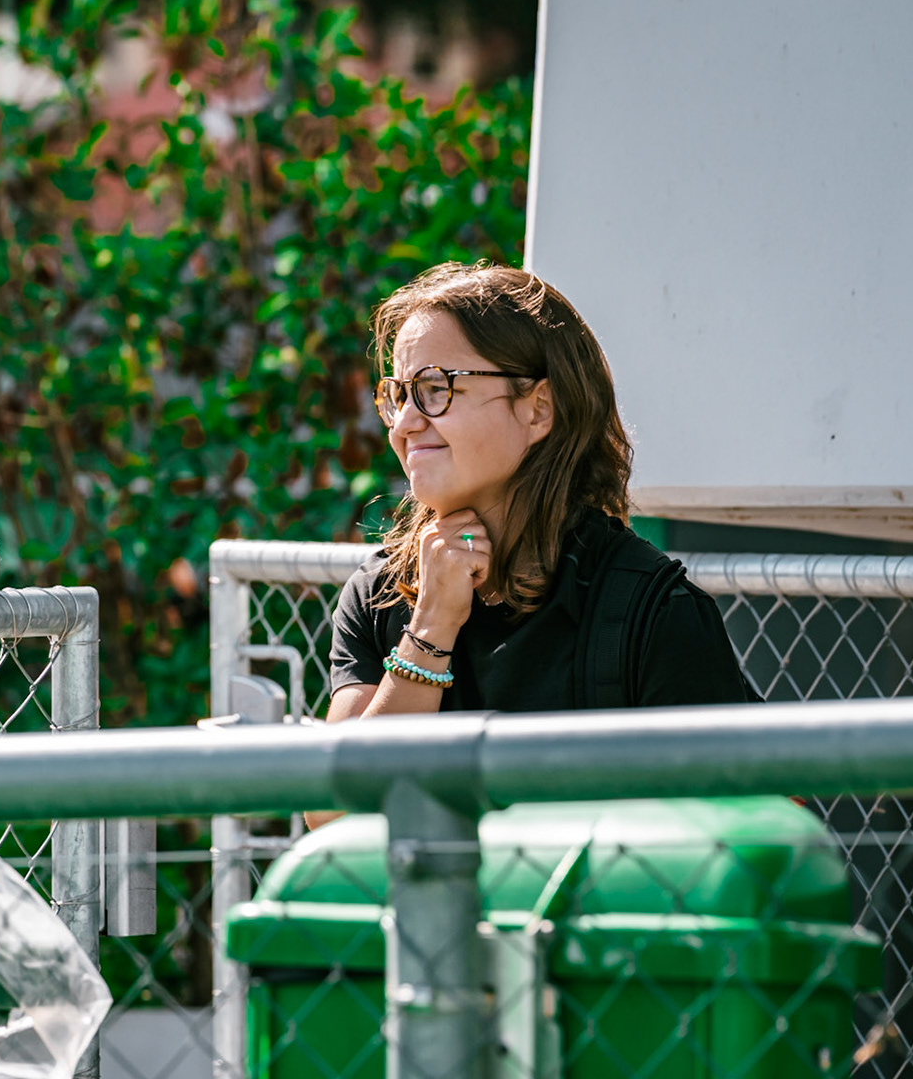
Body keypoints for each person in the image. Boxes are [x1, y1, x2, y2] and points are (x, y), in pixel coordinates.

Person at [314, 264, 752, 822]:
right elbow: (330, 814)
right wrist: (429, 630)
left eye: (434, 389)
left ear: (538, 408)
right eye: (397, 396)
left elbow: (721, 840)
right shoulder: (380, 594)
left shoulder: (653, 612)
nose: (403, 423)